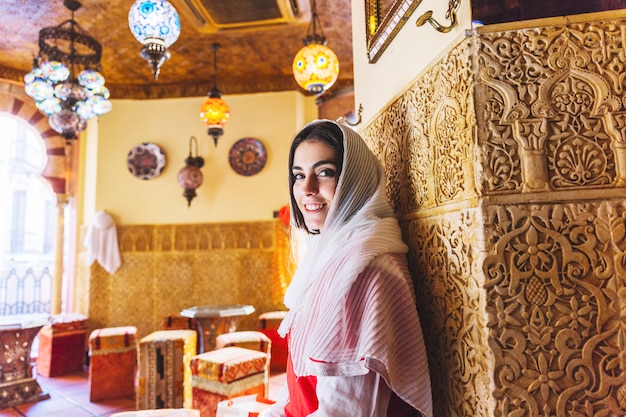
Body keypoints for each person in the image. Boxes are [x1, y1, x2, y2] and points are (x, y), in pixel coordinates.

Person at [261, 119, 433, 417]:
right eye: (298, 175)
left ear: (355, 179)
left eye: (325, 172)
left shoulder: (364, 270)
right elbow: (294, 391)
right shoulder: (329, 258)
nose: (307, 189)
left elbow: (344, 412)